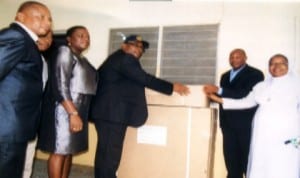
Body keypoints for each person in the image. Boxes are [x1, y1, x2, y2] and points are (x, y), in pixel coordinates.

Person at [89, 34, 190, 178]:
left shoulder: (117, 59)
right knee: (109, 157)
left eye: (141, 48)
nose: (139, 49)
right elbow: (144, 78)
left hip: (108, 114)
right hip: (112, 114)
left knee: (105, 155)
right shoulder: (126, 59)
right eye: (134, 45)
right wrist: (172, 87)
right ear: (124, 46)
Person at [206, 54, 300, 178]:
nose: (277, 66)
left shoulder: (296, 85)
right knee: (262, 164)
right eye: (272, 63)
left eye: (281, 63)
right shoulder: (261, 86)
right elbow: (246, 101)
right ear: (269, 67)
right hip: (262, 134)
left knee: (283, 165)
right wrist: (219, 100)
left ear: (288, 66)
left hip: (286, 134)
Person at [37, 26, 98, 178]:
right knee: (59, 151)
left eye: (88, 36)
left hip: (78, 111)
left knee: (68, 151)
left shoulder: (82, 59)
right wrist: (73, 113)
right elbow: (60, 85)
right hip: (65, 111)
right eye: (81, 35)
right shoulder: (64, 52)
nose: (85, 39)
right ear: (69, 40)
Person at [0, 1, 52, 178]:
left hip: (15, 126)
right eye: (40, 16)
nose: (46, 22)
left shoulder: (27, 41)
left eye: (49, 19)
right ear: (20, 17)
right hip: (7, 126)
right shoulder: (16, 36)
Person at [204, 48, 264, 178]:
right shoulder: (225, 75)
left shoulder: (256, 74)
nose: (234, 59)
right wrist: (207, 93)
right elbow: (224, 95)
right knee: (231, 161)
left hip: (245, 125)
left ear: (245, 58)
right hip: (227, 124)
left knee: (247, 161)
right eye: (232, 57)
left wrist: (218, 90)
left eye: (238, 57)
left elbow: (243, 94)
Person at [23, 31, 53, 178]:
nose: (47, 40)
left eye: (50, 37)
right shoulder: (21, 54)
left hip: (32, 117)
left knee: (28, 158)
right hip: (13, 117)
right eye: (44, 36)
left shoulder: (43, 62)